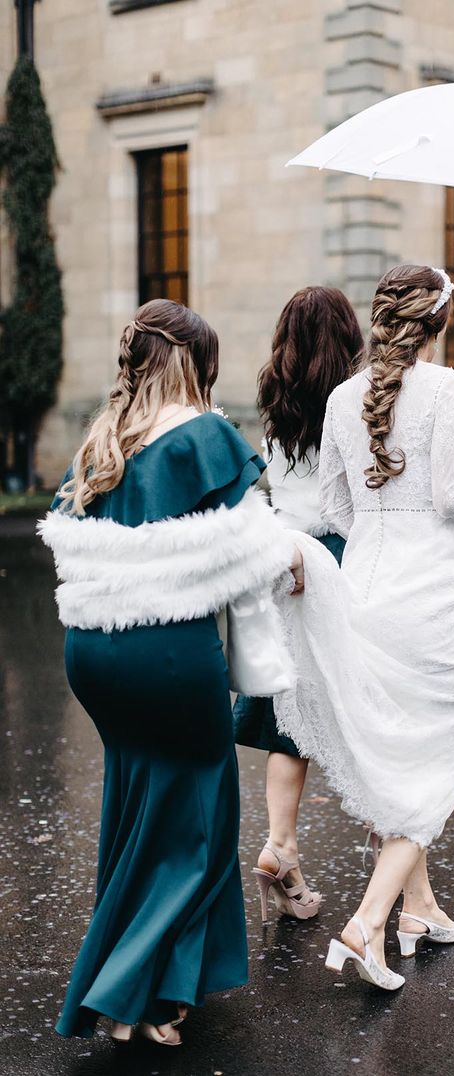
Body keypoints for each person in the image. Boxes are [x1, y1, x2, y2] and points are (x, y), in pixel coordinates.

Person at [272, 264, 454, 990]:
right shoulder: (448, 390)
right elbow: (452, 494)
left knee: (397, 756)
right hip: (427, 595)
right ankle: (366, 926)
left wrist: (375, 528)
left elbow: (336, 507)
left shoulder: (340, 397)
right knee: (435, 763)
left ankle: (419, 911)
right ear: (440, 322)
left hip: (363, 589)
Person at [38, 299, 300, 1043]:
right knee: (201, 818)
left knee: (138, 807)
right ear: (194, 362)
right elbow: (256, 540)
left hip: (93, 652)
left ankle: (145, 980)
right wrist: (296, 561)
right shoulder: (206, 434)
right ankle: (139, 995)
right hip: (167, 651)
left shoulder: (102, 438)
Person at [234, 286, 363, 923]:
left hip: (284, 555)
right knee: (359, 707)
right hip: (337, 553)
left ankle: (280, 844)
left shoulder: (274, 397)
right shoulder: (359, 399)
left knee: (289, 713)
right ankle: (398, 859)